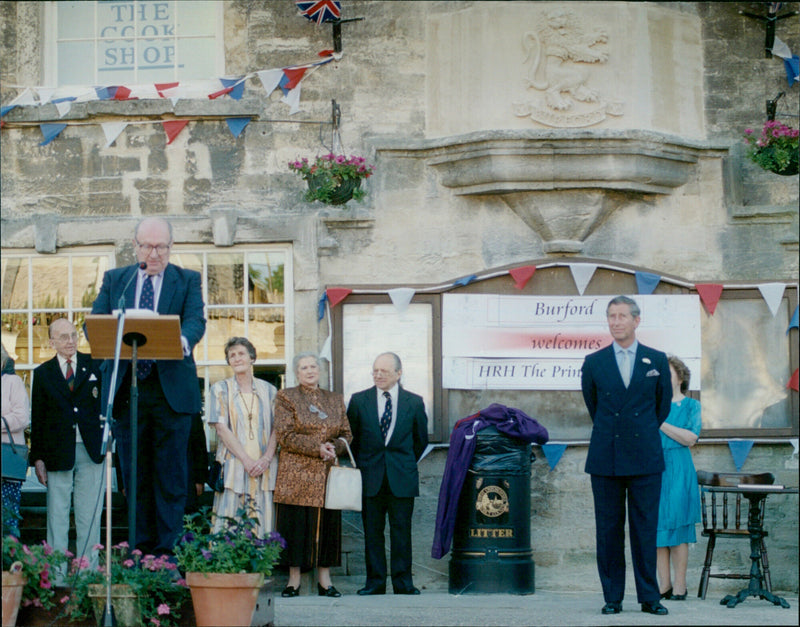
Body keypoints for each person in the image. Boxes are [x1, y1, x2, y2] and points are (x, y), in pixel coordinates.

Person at [90, 216, 206, 554]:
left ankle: (169, 556)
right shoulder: (117, 281)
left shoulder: (187, 280)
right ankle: (139, 554)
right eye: (147, 246)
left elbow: (196, 320)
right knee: (135, 478)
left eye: (161, 247)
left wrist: (182, 340)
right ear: (135, 246)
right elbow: (95, 323)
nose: (153, 254)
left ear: (171, 247)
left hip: (170, 392)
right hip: (129, 392)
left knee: (171, 479)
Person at [581, 295, 672, 616]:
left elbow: (660, 409)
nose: (616, 321)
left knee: (645, 529)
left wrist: (642, 434)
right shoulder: (594, 362)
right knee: (608, 530)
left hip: (645, 457)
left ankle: (650, 597)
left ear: (636, 320)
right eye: (611, 316)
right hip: (606, 457)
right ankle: (612, 597)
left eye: (622, 316)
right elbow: (595, 407)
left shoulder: (657, 361)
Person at [347, 352, 428, 596]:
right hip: (370, 477)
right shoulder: (359, 400)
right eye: (375, 371)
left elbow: (420, 441)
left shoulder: (414, 402)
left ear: (398, 373)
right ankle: (375, 583)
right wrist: (367, 464)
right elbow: (353, 440)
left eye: (384, 371)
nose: (378, 375)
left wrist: (400, 463)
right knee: (372, 532)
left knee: (401, 531)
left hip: (401, 477)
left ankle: (403, 583)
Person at [29, 319, 104, 578]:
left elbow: (107, 406)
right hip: (57, 453)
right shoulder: (42, 373)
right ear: (52, 342)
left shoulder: (94, 365)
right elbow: (37, 418)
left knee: (89, 517)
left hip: (91, 450)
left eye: (73, 335)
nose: (70, 340)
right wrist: (37, 457)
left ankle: (88, 576)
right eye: (63, 337)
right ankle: (57, 577)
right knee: (57, 516)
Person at [273, 352, 352, 598]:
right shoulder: (286, 396)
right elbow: (285, 435)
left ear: (319, 370)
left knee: (327, 526)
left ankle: (325, 581)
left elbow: (347, 434)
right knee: (295, 526)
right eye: (304, 367)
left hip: (328, 473)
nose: (309, 371)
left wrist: (334, 447)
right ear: (296, 373)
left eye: (313, 366)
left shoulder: (334, 399)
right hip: (296, 473)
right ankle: (293, 580)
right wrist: (316, 447)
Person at [208, 337, 278, 536]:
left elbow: (277, 428)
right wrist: (246, 461)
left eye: (241, 353)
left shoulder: (270, 391)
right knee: (229, 523)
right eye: (232, 355)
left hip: (264, 467)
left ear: (252, 357)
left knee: (262, 523)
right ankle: (228, 566)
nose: (237, 358)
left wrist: (265, 459)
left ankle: (260, 567)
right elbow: (221, 428)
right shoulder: (220, 389)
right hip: (234, 467)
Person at [656, 355, 701, 601]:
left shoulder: (692, 406)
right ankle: (664, 585)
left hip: (679, 467)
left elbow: (690, 438)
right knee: (656, 529)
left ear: (680, 377)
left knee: (678, 526)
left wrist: (661, 422)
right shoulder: (652, 403)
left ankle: (681, 586)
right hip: (654, 467)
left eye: (669, 373)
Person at [1, 343, 29, 538]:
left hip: (7, 464)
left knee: (8, 521)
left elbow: (22, 417)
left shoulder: (13, 382)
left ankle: (9, 566)